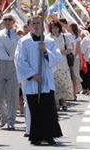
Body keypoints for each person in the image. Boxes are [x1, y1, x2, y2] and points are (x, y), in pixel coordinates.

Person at [15, 15, 63, 146]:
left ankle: (49, 135)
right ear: (30, 26)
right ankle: (36, 136)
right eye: (34, 23)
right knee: (35, 109)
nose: (36, 26)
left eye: (39, 23)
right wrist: (33, 75)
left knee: (48, 109)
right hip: (32, 81)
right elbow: (20, 61)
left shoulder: (49, 41)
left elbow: (58, 58)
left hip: (45, 80)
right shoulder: (24, 42)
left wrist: (46, 52)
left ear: (43, 26)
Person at [0, 13, 20, 130]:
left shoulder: (17, 36)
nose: (7, 21)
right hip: (0, 64)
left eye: (10, 19)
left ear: (13, 22)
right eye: (5, 19)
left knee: (12, 95)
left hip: (13, 65)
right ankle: (4, 115)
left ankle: (11, 120)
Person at [47, 21, 74, 111]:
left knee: (63, 82)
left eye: (56, 27)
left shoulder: (64, 37)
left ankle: (64, 101)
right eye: (53, 28)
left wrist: (60, 52)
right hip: (52, 63)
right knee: (54, 83)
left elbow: (70, 49)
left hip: (63, 63)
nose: (54, 30)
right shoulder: (48, 38)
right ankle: (56, 102)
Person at [68, 23, 82, 98]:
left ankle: (74, 92)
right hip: (68, 57)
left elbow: (77, 49)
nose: (68, 28)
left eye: (69, 27)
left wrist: (74, 56)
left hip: (74, 58)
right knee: (69, 76)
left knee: (75, 75)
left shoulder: (77, 38)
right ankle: (70, 92)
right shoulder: (67, 36)